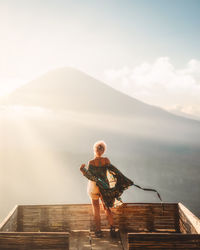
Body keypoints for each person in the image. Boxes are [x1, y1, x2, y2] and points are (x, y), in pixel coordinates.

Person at [80, 140, 133, 238]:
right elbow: (115, 172)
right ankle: (112, 228)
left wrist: (83, 171)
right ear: (103, 150)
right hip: (104, 187)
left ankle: (98, 231)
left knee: (96, 209)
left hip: (93, 187)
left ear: (94, 150)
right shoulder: (106, 160)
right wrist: (125, 181)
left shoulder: (91, 162)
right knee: (107, 207)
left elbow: (90, 176)